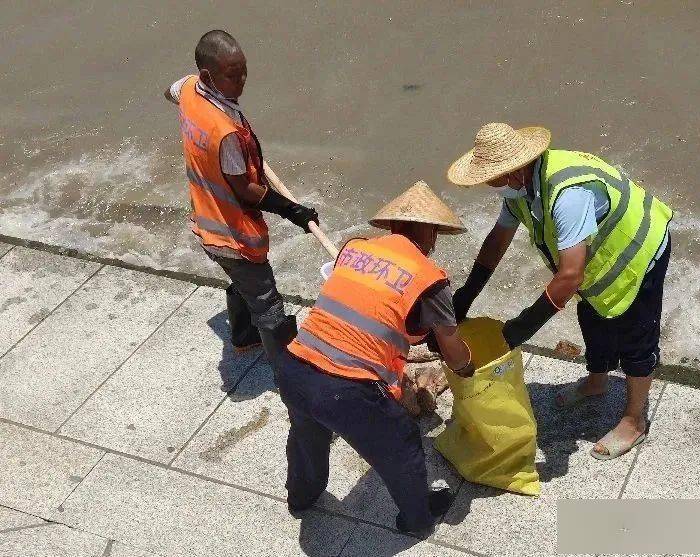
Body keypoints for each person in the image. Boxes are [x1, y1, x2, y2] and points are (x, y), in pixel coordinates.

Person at [447, 123, 673, 461]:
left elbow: (569, 277)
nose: (488, 183)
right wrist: (468, 293)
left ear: (514, 170)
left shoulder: (567, 195)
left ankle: (634, 420)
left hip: (637, 251)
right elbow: (498, 239)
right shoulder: (519, 189)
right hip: (596, 257)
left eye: (491, 177)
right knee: (592, 318)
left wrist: (519, 329)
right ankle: (597, 382)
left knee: (635, 340)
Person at [277, 181, 475, 535]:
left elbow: (368, 304)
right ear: (430, 232)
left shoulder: (354, 249)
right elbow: (451, 345)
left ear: (393, 227)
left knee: (308, 436)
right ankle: (418, 519)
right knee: (403, 445)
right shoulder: (430, 278)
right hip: (346, 390)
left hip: (294, 367)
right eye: (435, 234)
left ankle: (301, 497)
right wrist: (465, 368)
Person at [164, 30, 318, 359]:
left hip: (205, 217)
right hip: (231, 233)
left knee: (241, 280)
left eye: (245, 70)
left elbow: (170, 92)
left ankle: (244, 336)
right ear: (209, 75)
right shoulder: (225, 132)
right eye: (234, 75)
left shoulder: (190, 88)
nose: (243, 80)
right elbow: (246, 192)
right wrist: (294, 210)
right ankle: (290, 375)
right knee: (268, 303)